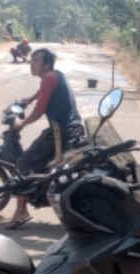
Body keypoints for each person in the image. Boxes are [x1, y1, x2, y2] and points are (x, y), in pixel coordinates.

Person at [6, 48, 83, 229]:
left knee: (23, 163)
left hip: (59, 132)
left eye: (36, 61)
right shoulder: (55, 75)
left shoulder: (48, 78)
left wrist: (21, 124)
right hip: (71, 128)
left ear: (46, 64)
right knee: (38, 163)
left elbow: (39, 112)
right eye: (32, 60)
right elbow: (43, 92)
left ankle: (21, 211)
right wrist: (29, 99)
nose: (31, 64)